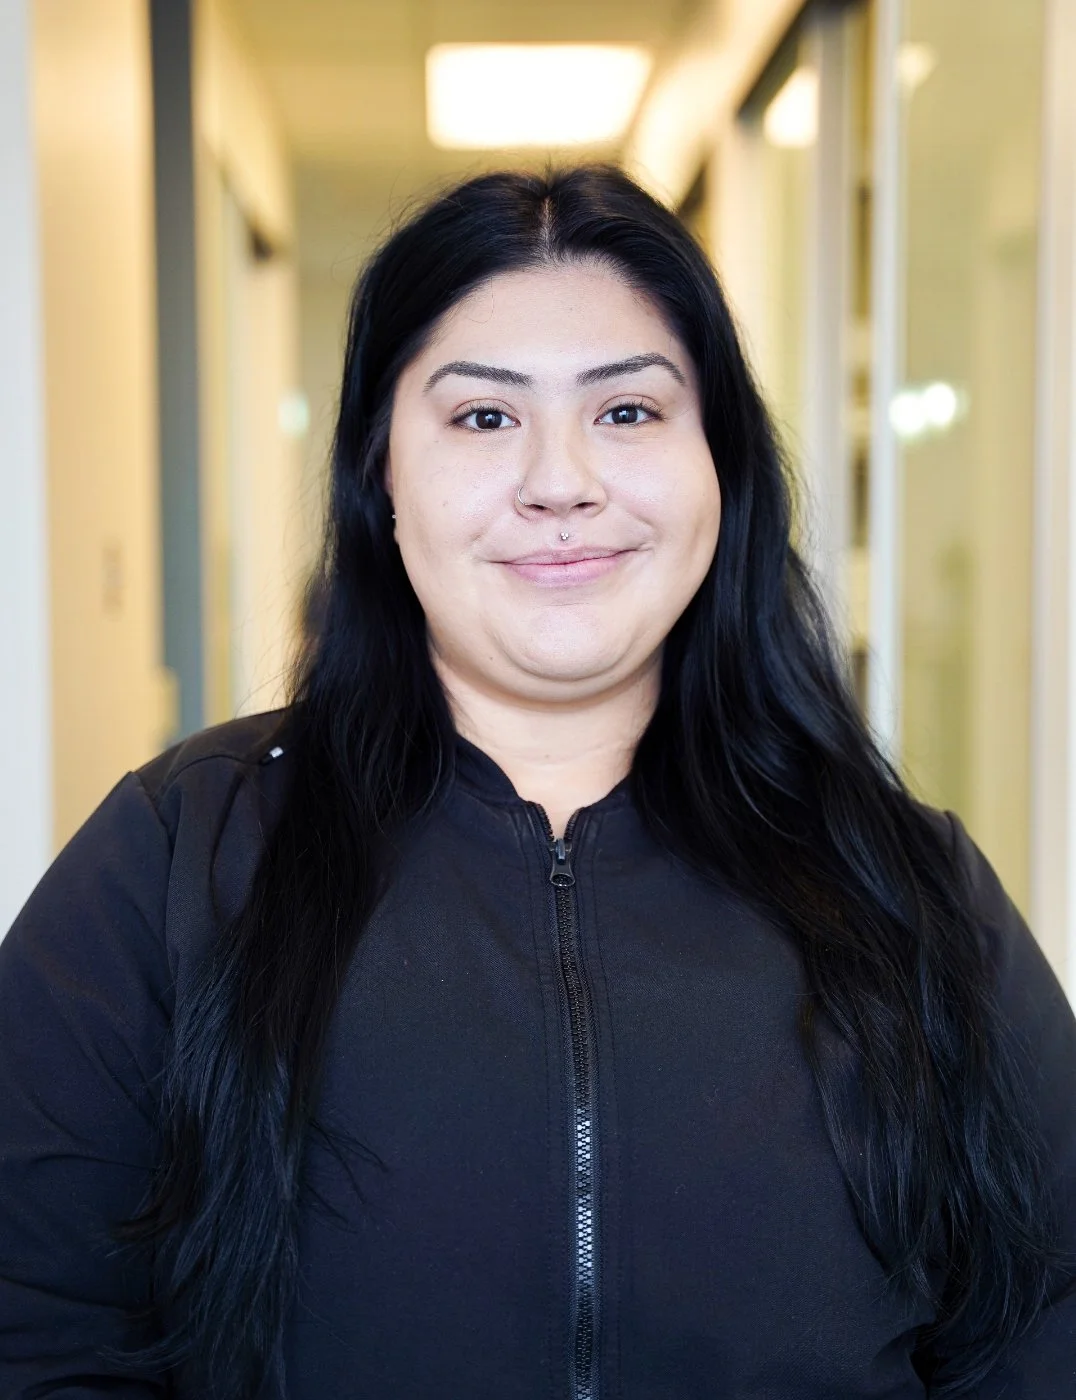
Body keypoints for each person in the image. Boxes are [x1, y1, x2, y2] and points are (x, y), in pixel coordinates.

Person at [0, 165, 1073, 1400]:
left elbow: (1041, 1317)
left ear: (718, 466)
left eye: (626, 412)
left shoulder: (906, 881)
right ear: (379, 476)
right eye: (482, 418)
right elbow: (37, 1328)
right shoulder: (175, 855)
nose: (560, 481)